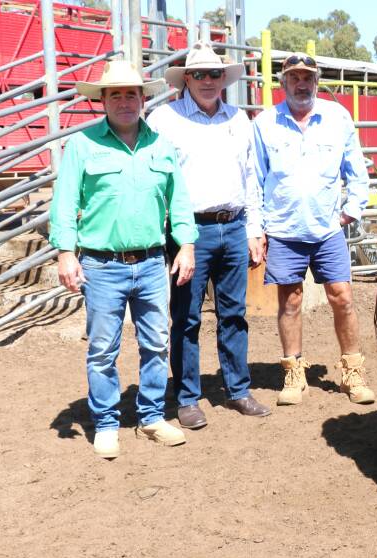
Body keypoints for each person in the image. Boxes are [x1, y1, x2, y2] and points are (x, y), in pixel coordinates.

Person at [49, 61, 197, 459]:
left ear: (143, 99)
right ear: (102, 101)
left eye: (131, 93)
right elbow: (65, 205)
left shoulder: (161, 146)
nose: (125, 101)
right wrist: (65, 251)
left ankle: (151, 416)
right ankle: (107, 423)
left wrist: (186, 244)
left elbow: (179, 201)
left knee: (157, 342)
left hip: (151, 262)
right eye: (115, 94)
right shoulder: (82, 146)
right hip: (101, 264)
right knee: (102, 348)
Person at [147, 42, 271, 429]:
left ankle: (238, 389)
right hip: (189, 230)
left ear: (224, 79)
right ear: (185, 79)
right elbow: (156, 177)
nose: (207, 81)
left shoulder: (238, 120)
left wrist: (253, 229)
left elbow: (251, 177)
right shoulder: (163, 120)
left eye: (214, 74)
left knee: (234, 313)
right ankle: (187, 397)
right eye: (199, 74)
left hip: (233, 224)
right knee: (185, 316)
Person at [250, 53, 375, 406]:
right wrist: (257, 228)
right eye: (294, 78)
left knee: (343, 298)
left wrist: (351, 210)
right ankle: (294, 373)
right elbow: (255, 180)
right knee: (290, 302)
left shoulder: (337, 118)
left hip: (327, 230)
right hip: (284, 229)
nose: (301, 83)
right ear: (283, 83)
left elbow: (357, 171)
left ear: (316, 81)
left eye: (307, 77)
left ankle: (353, 371)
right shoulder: (265, 124)